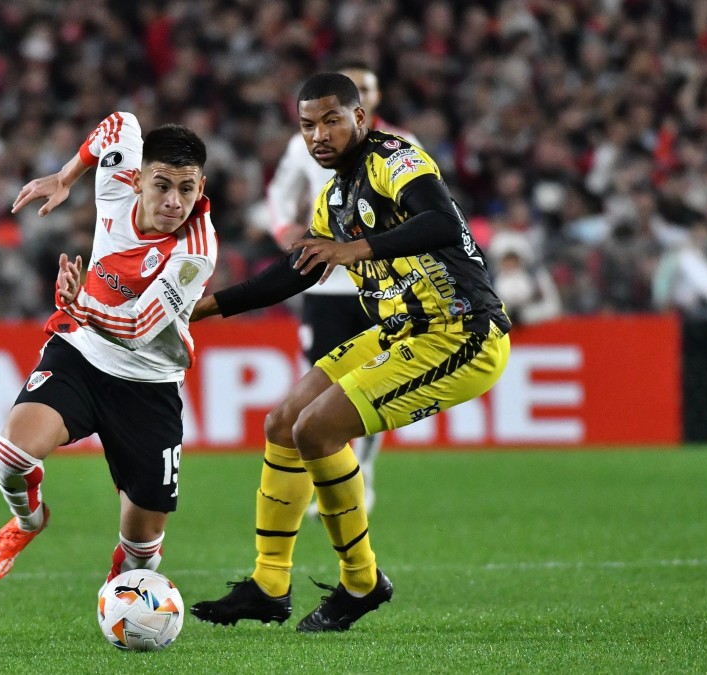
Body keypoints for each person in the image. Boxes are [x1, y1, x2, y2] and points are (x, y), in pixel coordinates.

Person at [188, 73, 511, 632]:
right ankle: (269, 583)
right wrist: (204, 308)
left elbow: (440, 220)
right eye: (307, 125)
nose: (319, 135)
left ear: (360, 118)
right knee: (283, 423)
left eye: (331, 120)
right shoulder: (333, 200)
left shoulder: (395, 158)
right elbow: (293, 274)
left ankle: (361, 582)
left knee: (317, 430)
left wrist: (355, 249)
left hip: (462, 332)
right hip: (401, 329)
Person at [0, 111, 217, 585]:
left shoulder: (196, 250)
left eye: (187, 189)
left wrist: (79, 302)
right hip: (83, 355)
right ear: (138, 178)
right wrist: (65, 177)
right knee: (13, 455)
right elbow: (118, 123)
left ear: (200, 187)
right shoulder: (115, 181)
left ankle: (123, 590)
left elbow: (139, 327)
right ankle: (28, 521)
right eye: (162, 185)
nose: (174, 202)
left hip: (149, 382)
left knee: (142, 552)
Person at [266, 62, 419, 514]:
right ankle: (329, 480)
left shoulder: (402, 145)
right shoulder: (305, 144)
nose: (362, 94)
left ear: (370, 100)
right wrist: (284, 229)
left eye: (367, 88)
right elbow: (279, 194)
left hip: (382, 283)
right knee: (318, 384)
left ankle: (362, 474)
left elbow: (424, 210)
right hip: (325, 284)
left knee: (371, 383)